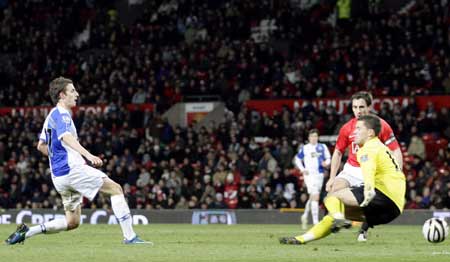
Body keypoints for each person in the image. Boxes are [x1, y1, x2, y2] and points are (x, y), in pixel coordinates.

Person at [5, 77, 151, 245]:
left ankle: (28, 232)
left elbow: (41, 146)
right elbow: (66, 137)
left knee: (72, 222)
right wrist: (88, 156)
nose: (77, 94)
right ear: (62, 95)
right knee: (116, 189)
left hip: (59, 177)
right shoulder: (62, 115)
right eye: (72, 91)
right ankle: (130, 237)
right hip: (72, 170)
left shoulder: (50, 116)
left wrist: (58, 159)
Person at [280, 114, 405, 245]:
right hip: (395, 209)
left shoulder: (367, 149)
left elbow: (369, 169)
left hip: (382, 194)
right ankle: (301, 239)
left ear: (370, 133)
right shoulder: (380, 147)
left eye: (358, 129)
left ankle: (337, 217)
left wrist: (368, 188)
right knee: (338, 212)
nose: (354, 132)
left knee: (332, 198)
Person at [324, 91, 403, 241]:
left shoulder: (381, 125)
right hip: (351, 169)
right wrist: (331, 177)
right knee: (333, 191)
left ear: (369, 107)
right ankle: (339, 219)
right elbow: (338, 152)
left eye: (361, 107)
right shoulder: (347, 128)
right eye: (355, 107)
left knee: (367, 202)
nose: (358, 111)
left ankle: (363, 229)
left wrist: (397, 172)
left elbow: (396, 150)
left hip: (371, 170)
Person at [294, 129, 331, 229]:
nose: (314, 138)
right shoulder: (305, 148)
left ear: (317, 137)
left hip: (319, 175)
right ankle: (316, 222)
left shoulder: (322, 147)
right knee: (315, 196)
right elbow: (297, 159)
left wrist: (326, 163)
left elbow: (328, 158)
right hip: (309, 175)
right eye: (312, 136)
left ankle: (305, 215)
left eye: (315, 136)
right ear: (309, 138)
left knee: (312, 196)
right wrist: (302, 169)